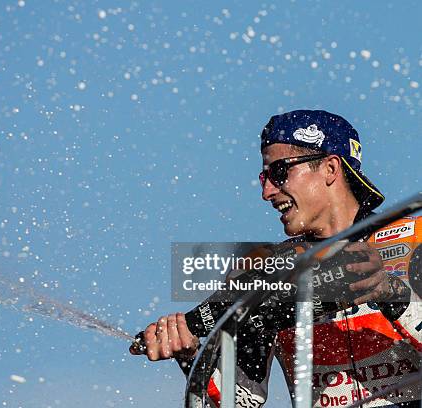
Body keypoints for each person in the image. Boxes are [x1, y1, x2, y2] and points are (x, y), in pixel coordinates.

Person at [130, 110, 422, 407]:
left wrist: (393, 295)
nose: (267, 192)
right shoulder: (263, 268)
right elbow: (236, 401)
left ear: (330, 169)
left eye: (279, 172)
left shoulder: (416, 239)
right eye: (263, 177)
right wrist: (192, 357)